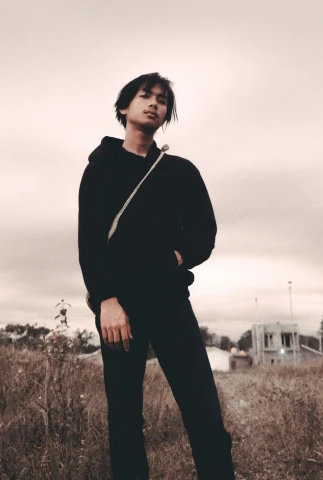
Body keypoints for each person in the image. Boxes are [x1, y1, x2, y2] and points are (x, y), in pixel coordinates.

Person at [78, 72, 235, 479]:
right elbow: (91, 241)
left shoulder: (180, 172)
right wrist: (106, 300)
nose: (154, 104)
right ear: (123, 108)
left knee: (203, 407)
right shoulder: (101, 168)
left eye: (162, 100)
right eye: (144, 96)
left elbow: (205, 232)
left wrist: (177, 257)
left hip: (170, 302)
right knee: (126, 419)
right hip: (120, 308)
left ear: (166, 114)